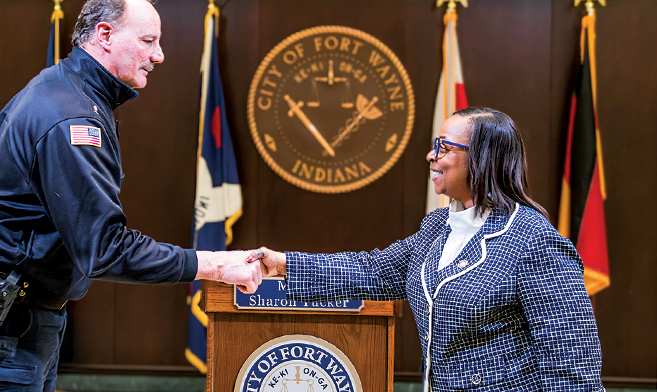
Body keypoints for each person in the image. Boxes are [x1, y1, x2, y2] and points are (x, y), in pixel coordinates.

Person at [0, 0, 262, 392]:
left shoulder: (65, 87)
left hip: (21, 308)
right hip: (1, 318)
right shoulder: (72, 119)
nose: (158, 56)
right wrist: (214, 265)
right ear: (105, 35)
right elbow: (104, 248)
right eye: (148, 41)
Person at [250, 107, 605, 391]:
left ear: (481, 158)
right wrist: (280, 264)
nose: (430, 156)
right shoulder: (437, 226)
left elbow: (572, 360)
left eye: (444, 147)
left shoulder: (533, 238)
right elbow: (374, 271)